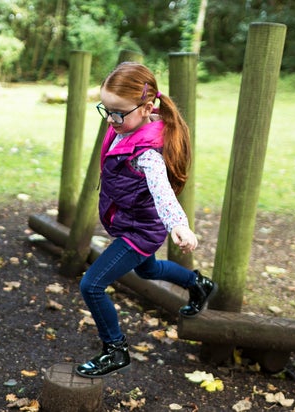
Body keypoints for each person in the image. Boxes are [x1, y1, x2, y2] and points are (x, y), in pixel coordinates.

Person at [76, 62, 217, 378]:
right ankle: (199, 284)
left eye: (118, 112)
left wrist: (177, 224)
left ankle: (115, 350)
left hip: (141, 230)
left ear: (146, 109)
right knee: (149, 269)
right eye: (106, 110)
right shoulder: (124, 127)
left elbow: (162, 190)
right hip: (131, 221)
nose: (111, 120)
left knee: (92, 284)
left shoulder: (148, 152)